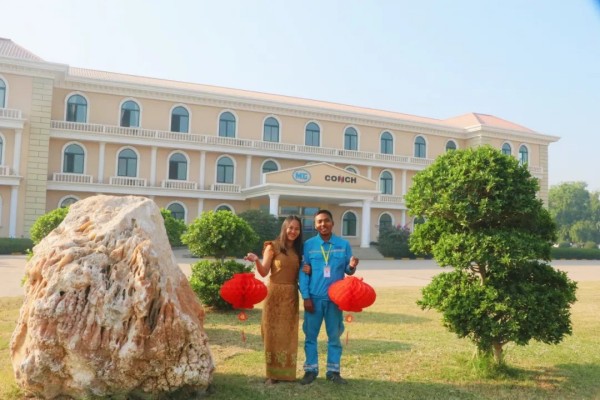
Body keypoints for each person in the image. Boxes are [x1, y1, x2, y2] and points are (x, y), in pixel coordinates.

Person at [298, 209, 359, 385]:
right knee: (310, 337)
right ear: (315, 225)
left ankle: (333, 372)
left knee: (334, 337)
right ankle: (310, 371)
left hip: (335, 300)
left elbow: (348, 270)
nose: (323, 224)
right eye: (319, 221)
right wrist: (306, 297)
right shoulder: (309, 245)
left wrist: (352, 266)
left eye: (326, 220)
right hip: (314, 299)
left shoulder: (343, 244)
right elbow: (304, 273)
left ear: (332, 223)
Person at [244, 215, 303, 385]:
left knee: (288, 334)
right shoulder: (273, 246)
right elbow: (263, 272)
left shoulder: (299, 250)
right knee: (272, 334)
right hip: (274, 295)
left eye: (296, 228)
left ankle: (287, 373)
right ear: (284, 228)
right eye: (290, 227)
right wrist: (256, 260)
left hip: (291, 295)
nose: (293, 231)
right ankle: (272, 374)